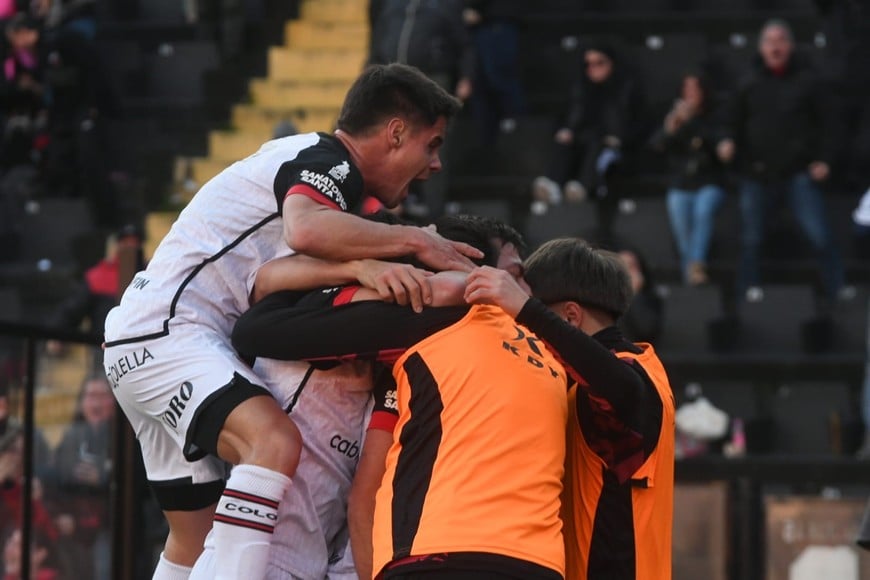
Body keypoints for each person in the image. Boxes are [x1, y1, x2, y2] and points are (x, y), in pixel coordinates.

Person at [101, 62, 482, 580]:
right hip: (173, 334)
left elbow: (269, 275)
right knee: (274, 442)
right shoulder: (330, 161)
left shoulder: (309, 168)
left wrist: (360, 264)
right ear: (395, 133)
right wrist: (415, 240)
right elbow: (305, 230)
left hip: (139, 340)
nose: (435, 164)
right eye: (431, 145)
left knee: (195, 538)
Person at [231, 215, 565, 580]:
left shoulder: (526, 349)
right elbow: (257, 324)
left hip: (456, 553)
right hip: (287, 545)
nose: (525, 291)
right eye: (513, 275)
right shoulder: (430, 323)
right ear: (464, 269)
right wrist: (361, 270)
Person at [464, 239, 675, 580]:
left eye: (530, 314)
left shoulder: (632, 377)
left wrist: (527, 311)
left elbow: (620, 387)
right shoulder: (592, 379)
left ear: (570, 316)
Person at [717, 19, 846, 304]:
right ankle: (747, 296)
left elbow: (831, 125)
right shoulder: (747, 82)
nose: (775, 47)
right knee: (751, 240)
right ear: (761, 48)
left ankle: (838, 291)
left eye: (781, 40)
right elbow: (729, 121)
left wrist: (825, 160)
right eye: (769, 41)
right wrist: (726, 141)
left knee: (819, 236)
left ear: (791, 46)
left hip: (797, 173)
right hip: (756, 173)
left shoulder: (808, 82)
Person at [369, 0, 473, 219]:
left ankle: (435, 211)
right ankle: (393, 203)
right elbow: (378, 40)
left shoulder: (445, 5)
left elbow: (464, 43)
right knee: (392, 140)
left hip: (431, 78)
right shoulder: (392, 5)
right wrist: (370, 70)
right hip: (394, 79)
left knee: (432, 144)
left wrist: (467, 76)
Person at [530, 42, 646, 238]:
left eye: (600, 63)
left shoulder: (628, 89)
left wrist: (621, 138)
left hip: (616, 148)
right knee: (565, 141)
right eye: (589, 64)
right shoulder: (580, 89)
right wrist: (567, 130)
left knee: (598, 144)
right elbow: (570, 119)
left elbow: (638, 124)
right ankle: (552, 184)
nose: (593, 69)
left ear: (612, 64)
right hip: (583, 143)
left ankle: (583, 186)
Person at [651, 72, 728, 286]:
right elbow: (657, 146)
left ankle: (696, 264)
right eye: (687, 89)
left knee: (703, 210)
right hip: (681, 184)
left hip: (708, 182)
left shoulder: (713, 118)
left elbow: (718, 144)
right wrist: (670, 127)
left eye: (695, 89)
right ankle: (692, 275)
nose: (691, 94)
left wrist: (692, 120)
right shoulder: (675, 118)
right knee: (682, 228)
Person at [52, 374, 115, 580]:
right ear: (81, 403)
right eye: (90, 396)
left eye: (102, 396)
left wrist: (104, 478)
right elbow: (55, 478)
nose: (96, 403)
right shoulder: (72, 436)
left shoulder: (125, 438)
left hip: (110, 527)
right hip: (74, 525)